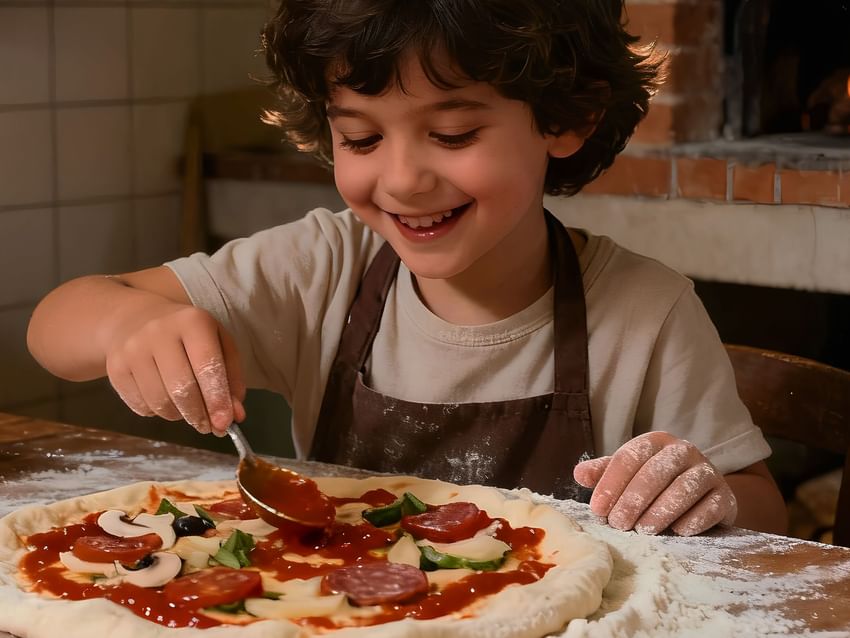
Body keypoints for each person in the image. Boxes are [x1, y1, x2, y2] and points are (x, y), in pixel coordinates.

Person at [26, 0, 787, 537]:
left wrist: (707, 498)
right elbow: (54, 324)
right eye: (359, 139)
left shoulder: (647, 311)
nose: (401, 180)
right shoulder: (322, 266)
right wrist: (131, 321)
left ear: (566, 118)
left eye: (452, 133)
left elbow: (763, 509)